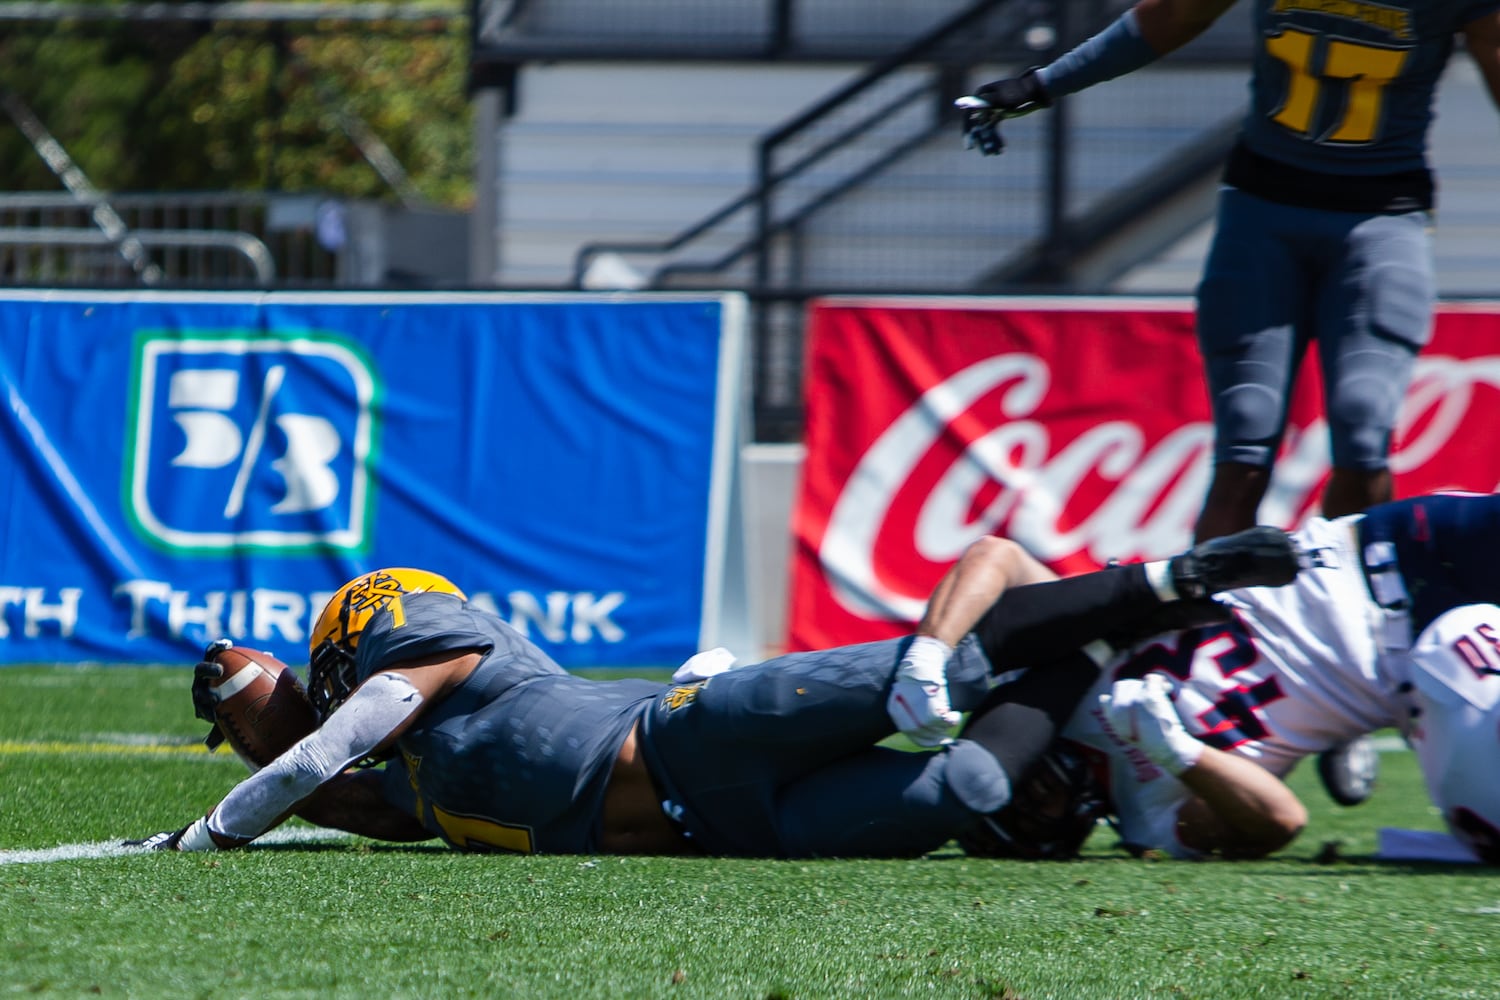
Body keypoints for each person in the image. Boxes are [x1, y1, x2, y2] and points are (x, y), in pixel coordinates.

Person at [128, 526, 1300, 858]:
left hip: (685, 737)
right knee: (970, 786)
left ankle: (1163, 582)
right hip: (729, 829)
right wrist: (234, 692)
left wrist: (205, 833)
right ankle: (1102, 653)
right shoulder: (425, 792)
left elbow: (317, 757)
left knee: (934, 674)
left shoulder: (436, 665)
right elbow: (327, 787)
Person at [959, 0, 1500, 543]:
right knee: (1243, 446)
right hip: (1264, 210)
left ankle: (1343, 616)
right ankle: (1212, 622)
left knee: (1363, 436)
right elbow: (1173, 17)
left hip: (1380, 220)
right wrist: (1041, 84)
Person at [965, 491, 1500, 863]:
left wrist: (924, 660)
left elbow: (1000, 559)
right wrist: (1176, 751)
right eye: (1027, 817)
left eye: (1012, 798)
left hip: (1374, 555)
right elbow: (1279, 821)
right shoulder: (1148, 820)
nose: (1029, 794)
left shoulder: (1051, 675)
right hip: (1422, 675)